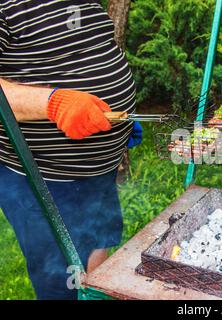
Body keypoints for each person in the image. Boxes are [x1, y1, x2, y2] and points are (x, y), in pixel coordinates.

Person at [0, 0, 137, 299]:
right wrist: (52, 103)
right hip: (44, 178)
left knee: (99, 246)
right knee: (60, 278)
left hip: (99, 170)